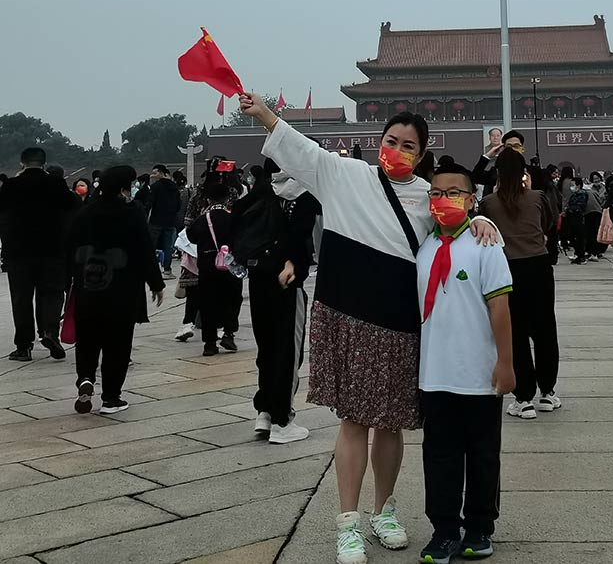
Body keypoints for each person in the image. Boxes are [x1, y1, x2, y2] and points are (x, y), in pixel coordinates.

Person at [238, 92, 499, 564]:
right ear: (379, 140)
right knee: (354, 421)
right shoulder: (344, 175)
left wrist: (480, 218)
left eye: (408, 145)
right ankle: (348, 524)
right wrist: (265, 115)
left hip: (398, 324)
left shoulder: (425, 197)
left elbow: (452, 223)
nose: (396, 149)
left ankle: (385, 510)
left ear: (422, 154)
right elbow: (301, 149)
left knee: (392, 425)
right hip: (347, 315)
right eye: (390, 140)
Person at [417, 162, 514, 563]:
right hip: (435, 374)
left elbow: (500, 308)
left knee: (482, 455)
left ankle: (478, 526)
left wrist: (505, 363)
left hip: (478, 374)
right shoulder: (422, 245)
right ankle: (443, 529)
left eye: (454, 192)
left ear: (472, 199)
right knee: (438, 455)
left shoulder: (486, 246)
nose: (443, 200)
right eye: (436, 193)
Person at [229, 158, 318, 443]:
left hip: (258, 278)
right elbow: (301, 233)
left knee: (266, 348)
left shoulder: (261, 191)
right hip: (286, 278)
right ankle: (283, 420)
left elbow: (236, 220)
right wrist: (292, 261)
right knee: (287, 352)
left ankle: (264, 413)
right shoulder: (300, 193)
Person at [68, 165, 165, 414]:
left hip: (89, 286)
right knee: (118, 344)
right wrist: (156, 283)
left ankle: (86, 377)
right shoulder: (132, 213)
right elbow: (145, 250)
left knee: (87, 338)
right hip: (122, 289)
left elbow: (68, 249)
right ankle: (111, 397)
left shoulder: (84, 213)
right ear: (124, 188)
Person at [481, 148, 560, 421]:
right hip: (538, 267)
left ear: (499, 173)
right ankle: (548, 392)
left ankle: (524, 398)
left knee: (515, 334)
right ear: (524, 171)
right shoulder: (537, 197)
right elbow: (549, 224)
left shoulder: (490, 202)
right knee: (545, 329)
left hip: (507, 270)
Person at [0, 147, 74, 361]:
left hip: (19, 252)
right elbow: (70, 205)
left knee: (21, 298)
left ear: (22, 163)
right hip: (52, 250)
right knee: (51, 294)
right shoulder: (56, 183)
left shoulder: (12, 185)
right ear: (43, 163)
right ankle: (50, 332)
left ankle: (23, 346)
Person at [187, 181, 245, 355]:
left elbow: (192, 237)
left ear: (208, 199)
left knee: (208, 302)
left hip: (207, 266)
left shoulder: (202, 219)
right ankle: (228, 333)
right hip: (230, 266)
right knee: (233, 299)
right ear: (228, 198)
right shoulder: (233, 217)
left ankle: (209, 343)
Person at [148, 165, 181, 279]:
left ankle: (152, 271)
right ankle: (167, 271)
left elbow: (149, 203)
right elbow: (178, 205)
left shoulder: (155, 187)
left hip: (156, 220)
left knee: (151, 246)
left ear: (161, 173)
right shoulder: (174, 187)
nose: (152, 175)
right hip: (170, 221)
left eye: (155, 173)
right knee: (168, 247)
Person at [472, 130, 526, 198]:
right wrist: (488, 155)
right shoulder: (495, 172)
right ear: (503, 149)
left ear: (522, 149)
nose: (512, 150)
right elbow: (475, 177)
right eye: (508, 147)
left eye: (516, 146)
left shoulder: (532, 172)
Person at [565, 178, 590, 264]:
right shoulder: (574, 195)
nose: (571, 187)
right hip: (572, 218)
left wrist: (570, 209)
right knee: (572, 237)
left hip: (579, 218)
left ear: (578, 185)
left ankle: (581, 256)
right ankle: (577, 254)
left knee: (580, 238)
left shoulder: (583, 194)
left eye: (573, 185)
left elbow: (580, 207)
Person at [584, 175, 605, 260]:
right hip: (594, 211)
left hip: (603, 210)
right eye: (594, 179)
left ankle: (598, 251)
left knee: (600, 232)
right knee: (593, 232)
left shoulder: (604, 188)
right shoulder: (589, 189)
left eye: (597, 178)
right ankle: (593, 251)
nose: (596, 180)